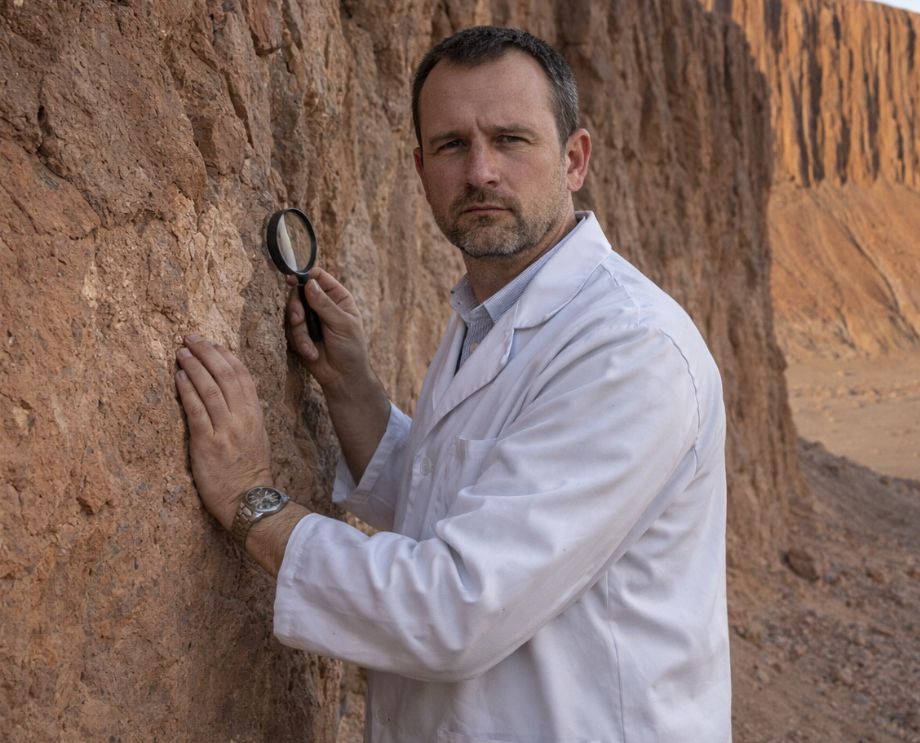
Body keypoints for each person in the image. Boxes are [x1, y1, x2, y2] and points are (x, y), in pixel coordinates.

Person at [173, 26, 730, 742]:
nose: (480, 172)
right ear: (419, 167)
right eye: (451, 146)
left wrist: (252, 501)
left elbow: (456, 608)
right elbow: (465, 496)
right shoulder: (488, 314)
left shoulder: (629, 350)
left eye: (511, 139)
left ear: (574, 158)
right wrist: (353, 391)